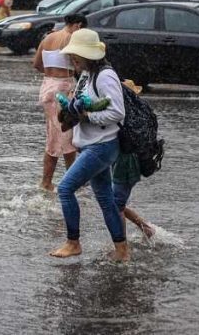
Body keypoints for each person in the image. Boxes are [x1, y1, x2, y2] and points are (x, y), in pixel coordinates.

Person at [50, 28, 129, 262]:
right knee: (106, 199)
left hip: (102, 145)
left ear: (89, 56)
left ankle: (73, 243)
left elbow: (117, 112)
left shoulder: (105, 76)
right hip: (91, 144)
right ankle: (122, 250)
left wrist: (87, 117)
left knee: (65, 189)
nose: (73, 60)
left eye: (76, 56)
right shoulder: (86, 74)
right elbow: (79, 103)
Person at [32, 14, 86, 191]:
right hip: (62, 90)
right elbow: (79, 65)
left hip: (48, 86)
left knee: (55, 136)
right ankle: (65, 181)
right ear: (77, 25)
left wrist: (51, 70)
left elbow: (37, 64)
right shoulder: (70, 38)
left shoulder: (48, 37)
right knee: (65, 137)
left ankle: (51, 182)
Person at [112, 82, 155, 241]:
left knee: (116, 205)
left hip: (126, 164)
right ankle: (145, 227)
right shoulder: (135, 116)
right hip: (126, 163)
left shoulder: (125, 117)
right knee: (116, 202)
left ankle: (121, 244)